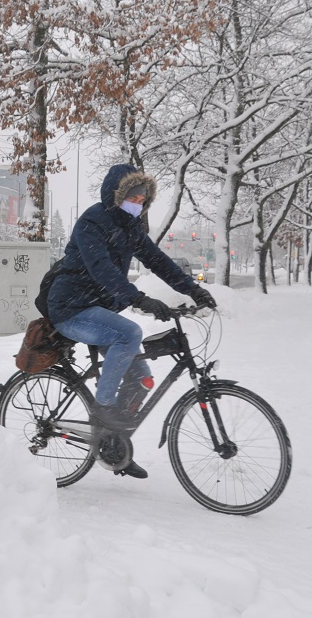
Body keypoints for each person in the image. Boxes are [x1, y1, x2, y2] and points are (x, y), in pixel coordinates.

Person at [46, 164, 216, 479]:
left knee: (142, 379)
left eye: (142, 198)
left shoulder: (131, 228)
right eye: (132, 195)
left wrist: (192, 289)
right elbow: (101, 268)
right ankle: (102, 411)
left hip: (98, 310)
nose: (138, 202)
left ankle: (113, 442)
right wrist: (138, 298)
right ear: (116, 194)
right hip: (71, 308)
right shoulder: (92, 222)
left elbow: (157, 261)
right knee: (130, 334)